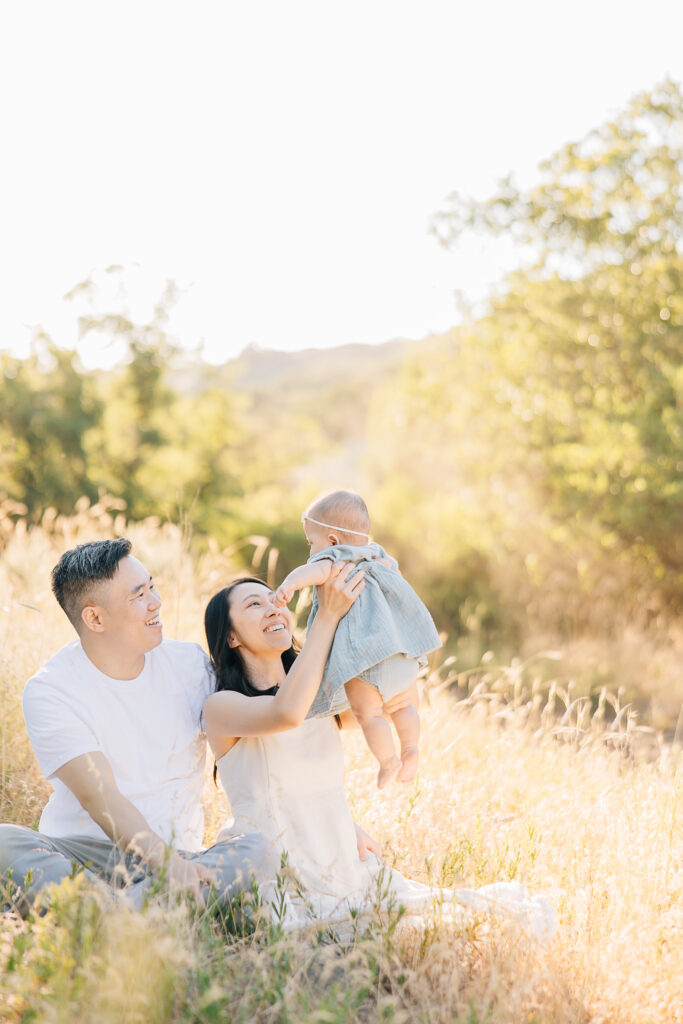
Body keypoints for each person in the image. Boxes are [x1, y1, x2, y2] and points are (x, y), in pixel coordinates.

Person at [203, 575, 557, 940]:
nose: (274, 607)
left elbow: (396, 703)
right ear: (232, 637)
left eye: (273, 599)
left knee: (443, 923)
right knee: (354, 934)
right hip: (273, 874)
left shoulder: (323, 700)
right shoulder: (222, 708)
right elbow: (287, 713)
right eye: (254, 604)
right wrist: (326, 617)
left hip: (336, 857)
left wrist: (373, 611)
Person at [0, 538, 274, 916]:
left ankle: (107, 919)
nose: (156, 602)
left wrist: (330, 820)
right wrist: (168, 866)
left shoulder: (190, 666)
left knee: (258, 850)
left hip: (180, 854)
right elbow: (100, 797)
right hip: (82, 856)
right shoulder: (51, 689)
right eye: (138, 596)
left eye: (152, 586)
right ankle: (150, 916)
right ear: (95, 618)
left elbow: (263, 741)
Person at [274, 490, 442, 788]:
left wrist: (290, 584)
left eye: (312, 542)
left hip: (363, 659)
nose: (311, 551)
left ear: (333, 541)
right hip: (396, 654)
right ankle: (411, 750)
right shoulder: (379, 555)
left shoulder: (335, 559)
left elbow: (312, 571)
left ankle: (388, 761)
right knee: (403, 707)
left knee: (369, 715)